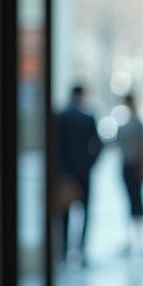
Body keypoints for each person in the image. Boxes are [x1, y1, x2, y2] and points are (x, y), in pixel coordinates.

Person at [54, 84, 103, 266]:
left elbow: (55, 147)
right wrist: (89, 164)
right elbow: (98, 145)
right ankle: (81, 251)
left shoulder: (61, 117)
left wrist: (60, 170)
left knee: (64, 214)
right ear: (81, 95)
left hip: (65, 173)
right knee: (85, 212)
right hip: (83, 172)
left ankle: (64, 253)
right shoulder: (87, 117)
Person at [116, 94, 143, 254]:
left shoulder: (137, 124)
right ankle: (132, 240)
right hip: (127, 166)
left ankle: (139, 240)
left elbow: (142, 147)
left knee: (137, 202)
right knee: (131, 202)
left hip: (135, 166)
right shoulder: (127, 123)